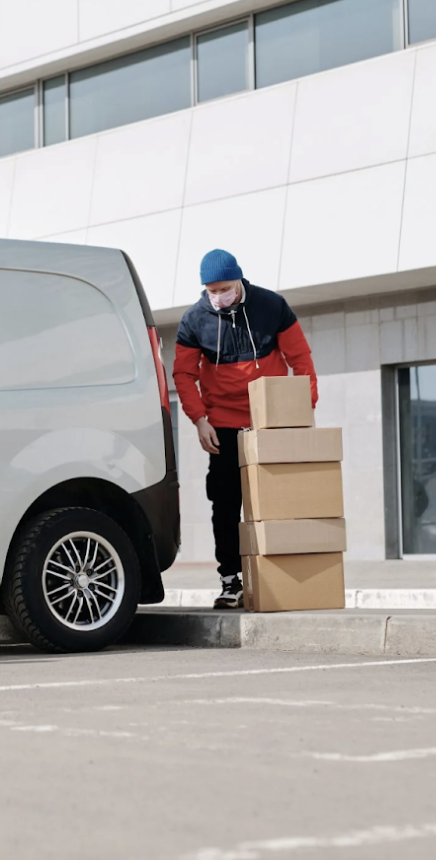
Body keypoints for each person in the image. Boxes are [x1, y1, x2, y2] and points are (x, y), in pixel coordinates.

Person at [172, 249, 317, 609]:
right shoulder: (194, 320)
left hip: (270, 420)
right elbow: (183, 375)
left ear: (239, 281)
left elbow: (300, 359)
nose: (217, 295)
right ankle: (230, 580)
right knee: (224, 505)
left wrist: (303, 407)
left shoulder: (272, 306)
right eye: (211, 290)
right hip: (221, 425)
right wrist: (199, 419)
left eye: (223, 288)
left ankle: (284, 575)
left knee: (278, 502)